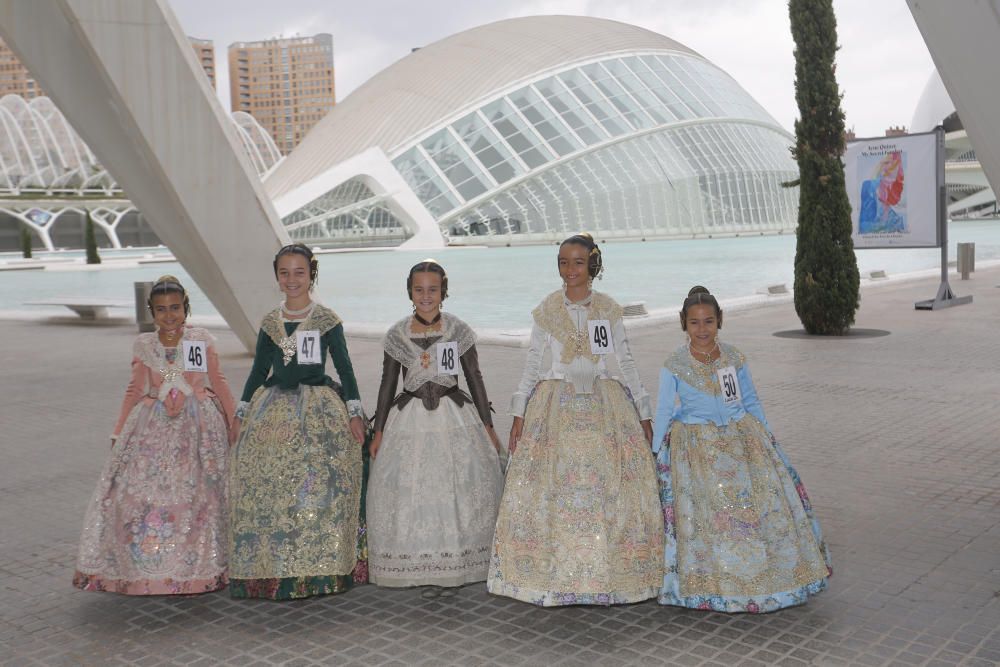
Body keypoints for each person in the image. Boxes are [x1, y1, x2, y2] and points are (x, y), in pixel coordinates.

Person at [488, 233, 663, 606]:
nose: (570, 270)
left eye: (578, 262)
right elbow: (533, 363)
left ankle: (608, 573)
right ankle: (552, 575)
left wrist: (644, 411)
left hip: (604, 402)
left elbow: (625, 362)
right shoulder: (547, 309)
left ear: (593, 265)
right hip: (555, 404)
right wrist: (518, 412)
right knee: (554, 488)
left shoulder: (609, 309)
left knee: (608, 488)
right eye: (563, 262)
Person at [651, 286, 831, 613]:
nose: (702, 329)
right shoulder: (674, 364)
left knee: (752, 507)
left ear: (720, 321)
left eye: (708, 322)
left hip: (742, 438)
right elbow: (663, 410)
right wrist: (656, 452)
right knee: (712, 513)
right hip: (697, 445)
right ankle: (715, 582)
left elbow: (749, 400)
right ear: (683, 324)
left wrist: (765, 434)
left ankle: (763, 576)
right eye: (694, 323)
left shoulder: (734, 358)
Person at [73, 275, 234, 594]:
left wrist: (233, 420)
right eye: (161, 309)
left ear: (185, 308)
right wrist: (119, 431)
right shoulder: (145, 345)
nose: (169, 315)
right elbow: (134, 389)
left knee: (199, 495)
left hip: (197, 427)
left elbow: (218, 381)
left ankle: (197, 565)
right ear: (152, 312)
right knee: (138, 494)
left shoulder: (199, 340)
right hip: (153, 428)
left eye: (175, 307)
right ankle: (145, 565)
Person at [228, 243, 368, 600]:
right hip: (272, 410)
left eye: (299, 272)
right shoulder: (270, 323)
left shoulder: (326, 320)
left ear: (312, 275)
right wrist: (241, 412)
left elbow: (345, 368)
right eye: (285, 273)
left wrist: (354, 412)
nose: (292, 280)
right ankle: (273, 566)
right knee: (271, 481)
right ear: (277, 277)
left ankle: (315, 565)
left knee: (314, 480)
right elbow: (259, 370)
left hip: (316, 409)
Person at [367, 260, 504, 597]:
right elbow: (387, 383)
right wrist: (380, 430)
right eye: (419, 290)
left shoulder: (458, 330)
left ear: (443, 291)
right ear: (409, 292)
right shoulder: (397, 334)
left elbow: (474, 376)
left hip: (454, 415)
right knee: (412, 484)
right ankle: (412, 558)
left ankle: (461, 557)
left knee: (455, 483)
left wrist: (488, 425)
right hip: (409, 417)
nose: (425, 296)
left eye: (432, 289)